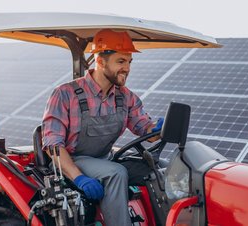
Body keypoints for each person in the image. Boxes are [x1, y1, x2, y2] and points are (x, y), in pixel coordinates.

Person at [42, 29, 163, 226]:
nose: (127, 68)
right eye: (121, 61)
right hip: (70, 161)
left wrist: (156, 130)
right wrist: (79, 177)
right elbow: (52, 145)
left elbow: (144, 130)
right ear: (100, 61)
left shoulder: (126, 97)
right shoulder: (65, 94)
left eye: (129, 62)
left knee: (160, 168)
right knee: (116, 173)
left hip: (104, 160)